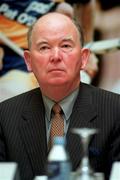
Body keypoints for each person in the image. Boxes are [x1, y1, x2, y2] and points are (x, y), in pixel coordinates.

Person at [0, 12, 120, 180]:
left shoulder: (115, 112)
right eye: (44, 47)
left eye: (65, 46)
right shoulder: (5, 116)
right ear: (28, 61)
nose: (55, 57)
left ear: (84, 58)